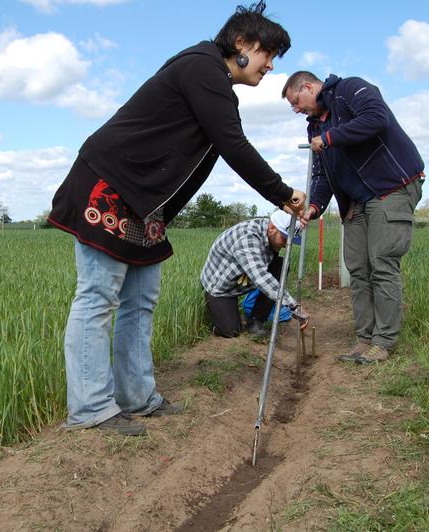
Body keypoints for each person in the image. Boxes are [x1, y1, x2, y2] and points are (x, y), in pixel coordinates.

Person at [48, 1, 306, 437]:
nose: (270, 65)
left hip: (145, 206)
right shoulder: (202, 67)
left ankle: (136, 397)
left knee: (141, 301)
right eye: (268, 53)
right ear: (242, 44)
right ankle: (90, 408)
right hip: (110, 185)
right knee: (97, 298)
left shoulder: (213, 81)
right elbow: (233, 145)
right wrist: (283, 194)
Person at [282, 71, 425, 364]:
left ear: (308, 87)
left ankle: (384, 341)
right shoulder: (313, 129)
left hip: (390, 188)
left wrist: (330, 138)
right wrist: (314, 208)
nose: (296, 110)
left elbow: (376, 119)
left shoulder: (349, 90)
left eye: (296, 102)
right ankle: (365, 338)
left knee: (382, 262)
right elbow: (322, 175)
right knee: (358, 268)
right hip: (356, 201)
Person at [201, 210, 308, 338]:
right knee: (232, 331)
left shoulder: (270, 231)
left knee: (281, 265)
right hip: (221, 289)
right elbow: (262, 278)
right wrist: (294, 307)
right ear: (272, 228)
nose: (286, 245)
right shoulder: (247, 239)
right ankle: (222, 318)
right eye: (284, 238)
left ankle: (256, 320)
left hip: (240, 281)